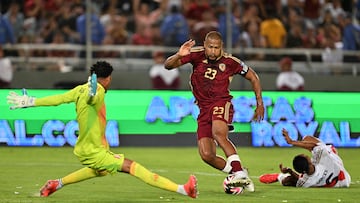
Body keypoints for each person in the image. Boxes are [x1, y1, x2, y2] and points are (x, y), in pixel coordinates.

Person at [6, 61, 197, 198]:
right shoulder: (96, 91)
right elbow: (93, 99)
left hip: (88, 147)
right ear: (107, 79)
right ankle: (182, 189)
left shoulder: (81, 89)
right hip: (93, 150)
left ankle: (56, 184)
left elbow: (58, 99)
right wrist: (91, 95)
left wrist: (31, 101)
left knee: (100, 172)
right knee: (132, 167)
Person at [164, 31, 265, 192]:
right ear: (204, 45)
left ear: (221, 47)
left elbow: (253, 77)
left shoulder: (231, 62)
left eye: (216, 48)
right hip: (203, 108)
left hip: (221, 102)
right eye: (210, 47)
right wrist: (178, 55)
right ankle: (239, 172)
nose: (212, 51)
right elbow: (168, 66)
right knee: (206, 155)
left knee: (219, 134)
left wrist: (259, 103)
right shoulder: (195, 54)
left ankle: (239, 172)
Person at [259, 128, 351, 188]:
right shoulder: (323, 157)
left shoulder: (305, 182)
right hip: (342, 174)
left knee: (288, 181)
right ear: (309, 161)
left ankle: (280, 177)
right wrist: (291, 142)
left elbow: (299, 179)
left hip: (342, 184)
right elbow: (313, 145)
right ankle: (281, 176)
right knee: (307, 139)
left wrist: (290, 172)